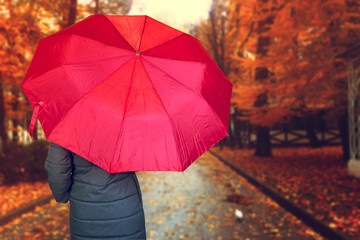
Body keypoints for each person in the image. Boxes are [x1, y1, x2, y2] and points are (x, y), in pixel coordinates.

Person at [44, 142, 146, 240]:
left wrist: (62, 196)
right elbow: (140, 158)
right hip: (125, 204)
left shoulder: (66, 126)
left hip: (85, 206)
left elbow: (57, 169)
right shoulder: (127, 125)